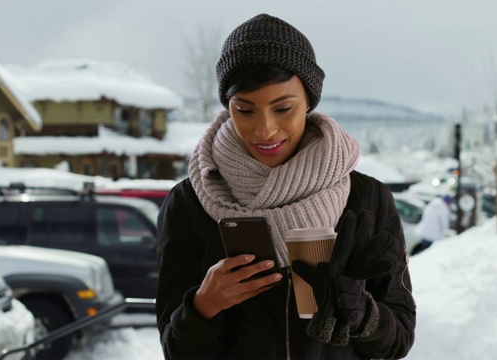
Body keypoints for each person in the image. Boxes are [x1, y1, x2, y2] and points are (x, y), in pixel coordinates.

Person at [155, 13, 416, 359]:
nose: (265, 130)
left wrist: (364, 314)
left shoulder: (366, 199)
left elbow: (399, 340)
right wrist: (204, 305)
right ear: (227, 107)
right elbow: (176, 351)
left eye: (283, 108)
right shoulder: (189, 202)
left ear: (309, 101)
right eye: (245, 110)